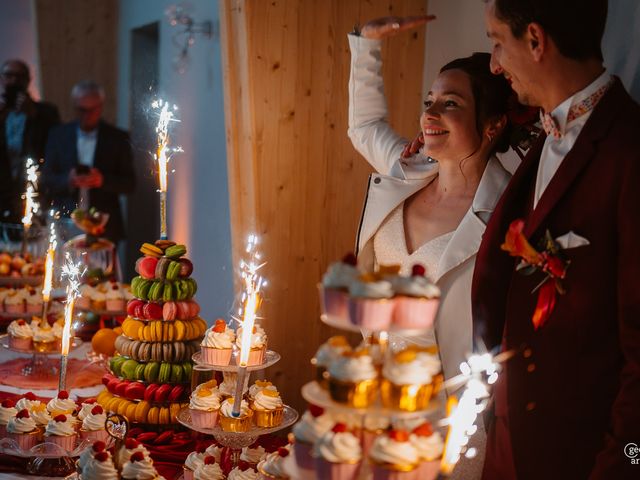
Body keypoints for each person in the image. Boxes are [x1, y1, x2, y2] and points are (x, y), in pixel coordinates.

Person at [349, 16, 523, 478]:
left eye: (450, 104)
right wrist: (366, 46)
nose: (430, 114)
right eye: (428, 101)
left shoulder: (511, 211)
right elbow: (364, 125)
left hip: (447, 418)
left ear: (492, 125)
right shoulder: (406, 169)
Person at [473, 1, 640, 478]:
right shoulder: (546, 134)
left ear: (535, 40)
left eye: (496, 41)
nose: (493, 62)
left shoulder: (630, 151)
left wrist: (625, 465)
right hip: (507, 442)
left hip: (577, 458)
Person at [43, 80, 135, 244]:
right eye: (81, 109)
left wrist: (102, 180)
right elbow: (47, 178)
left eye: (92, 109)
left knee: (104, 269)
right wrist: (68, 180)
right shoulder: (59, 135)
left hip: (104, 223)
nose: (87, 115)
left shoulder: (117, 138)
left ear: (101, 107)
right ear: (74, 107)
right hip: (66, 220)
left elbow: (130, 184)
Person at [0, 59, 60, 222]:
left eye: (19, 76)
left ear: (28, 80)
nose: (14, 81)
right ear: (2, 79)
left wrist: (35, 116)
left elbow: (57, 145)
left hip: (34, 190)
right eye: (9, 75)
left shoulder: (45, 112)